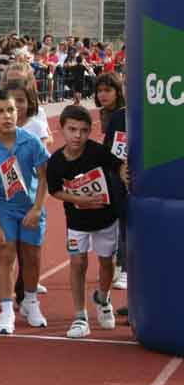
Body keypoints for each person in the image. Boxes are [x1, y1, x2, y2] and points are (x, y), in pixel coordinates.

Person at [0, 90, 50, 335]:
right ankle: (6, 310)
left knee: (31, 255)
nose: (6, 116)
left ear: (18, 113)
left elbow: (43, 175)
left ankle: (30, 301)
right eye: (0, 111)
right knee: (5, 254)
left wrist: (38, 208)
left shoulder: (31, 141)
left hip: (30, 207)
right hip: (3, 208)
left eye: (11, 110)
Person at [47, 105, 122, 338]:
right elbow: (55, 190)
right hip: (77, 221)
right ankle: (80, 316)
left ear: (90, 132)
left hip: (105, 218)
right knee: (78, 263)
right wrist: (77, 198)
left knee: (106, 263)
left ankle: (102, 297)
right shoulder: (56, 162)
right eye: (72, 129)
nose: (77, 135)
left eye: (83, 130)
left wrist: (124, 173)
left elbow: (118, 165)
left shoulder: (97, 152)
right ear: (62, 130)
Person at [95, 72, 128, 293]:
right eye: (100, 91)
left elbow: (119, 148)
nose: (103, 95)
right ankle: (119, 263)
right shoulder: (106, 114)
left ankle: (125, 268)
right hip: (112, 172)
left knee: (124, 221)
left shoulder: (121, 115)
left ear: (118, 92)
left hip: (122, 174)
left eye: (108, 90)